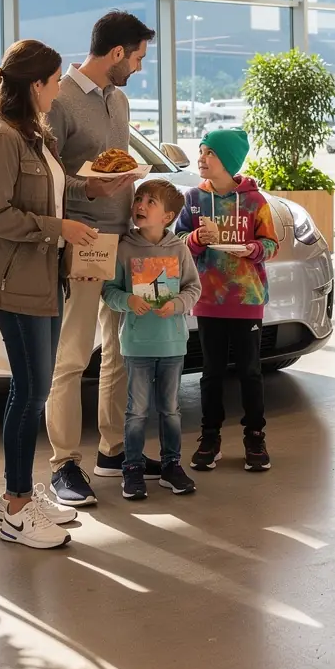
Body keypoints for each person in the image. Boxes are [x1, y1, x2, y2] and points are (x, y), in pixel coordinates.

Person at [0, 39, 101, 549]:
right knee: (28, 393)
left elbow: (51, 188)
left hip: (44, 279)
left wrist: (92, 188)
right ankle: (16, 506)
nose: (59, 88)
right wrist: (58, 229)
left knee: (35, 389)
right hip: (15, 282)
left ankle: (23, 494)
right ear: (35, 85)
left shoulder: (34, 134)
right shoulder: (0, 139)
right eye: (55, 80)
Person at [45, 10, 156, 506]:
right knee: (71, 356)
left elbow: (117, 165)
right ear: (116, 53)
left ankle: (113, 451)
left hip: (124, 240)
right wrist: (87, 188)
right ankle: (64, 464)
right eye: (137, 58)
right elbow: (47, 178)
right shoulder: (60, 100)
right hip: (83, 241)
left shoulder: (120, 100)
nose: (138, 67)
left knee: (120, 351)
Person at [174, 128, 280, 472]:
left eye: (211, 153)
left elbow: (272, 244)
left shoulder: (254, 201)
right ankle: (210, 437)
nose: (202, 158)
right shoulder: (193, 198)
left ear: (229, 161)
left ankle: (255, 436)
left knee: (250, 372)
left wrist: (252, 249)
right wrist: (195, 238)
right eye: (201, 151)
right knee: (211, 373)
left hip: (247, 299)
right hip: (208, 299)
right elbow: (177, 241)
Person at [102, 180, 201, 501]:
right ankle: (132, 469)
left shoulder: (179, 249)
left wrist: (178, 304)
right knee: (137, 411)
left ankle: (172, 466)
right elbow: (108, 291)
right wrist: (128, 301)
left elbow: (193, 288)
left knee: (170, 410)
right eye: (138, 199)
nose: (140, 205)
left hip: (173, 344)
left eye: (150, 202)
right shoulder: (124, 248)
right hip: (136, 345)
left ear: (168, 216)